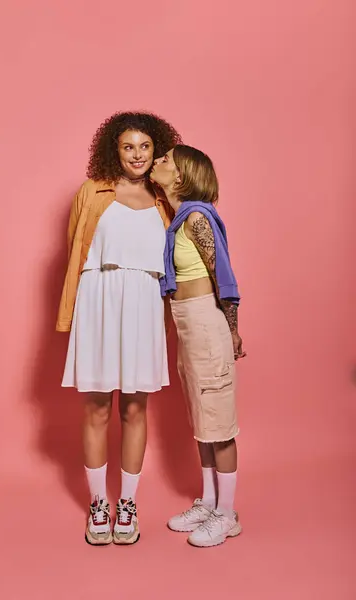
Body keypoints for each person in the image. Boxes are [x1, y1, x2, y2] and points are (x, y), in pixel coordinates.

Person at [57, 112, 182, 545]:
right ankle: (98, 505)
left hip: (145, 303)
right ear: (115, 148)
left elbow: (183, 253)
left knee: (134, 408)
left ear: (157, 150)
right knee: (96, 407)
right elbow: (75, 247)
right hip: (99, 298)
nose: (137, 155)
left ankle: (127, 504)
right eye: (129, 146)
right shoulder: (93, 193)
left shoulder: (166, 199)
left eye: (145, 146)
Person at [150, 144, 246, 548]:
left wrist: (233, 328)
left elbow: (223, 276)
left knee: (219, 425)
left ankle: (227, 514)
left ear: (182, 174)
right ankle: (209, 502)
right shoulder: (176, 220)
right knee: (202, 422)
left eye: (166, 159)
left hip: (206, 325)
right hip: (187, 327)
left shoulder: (197, 219)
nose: (158, 161)